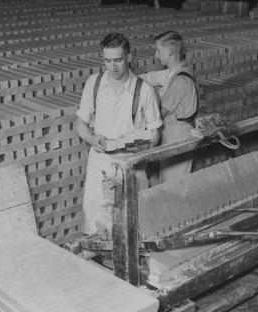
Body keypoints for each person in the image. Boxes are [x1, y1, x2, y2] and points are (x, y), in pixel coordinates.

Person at [76, 32, 162, 238]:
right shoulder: (94, 84)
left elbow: (155, 131)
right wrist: (91, 139)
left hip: (130, 165)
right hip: (100, 165)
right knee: (97, 224)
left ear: (129, 58)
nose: (112, 67)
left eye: (117, 60)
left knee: (132, 225)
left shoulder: (145, 90)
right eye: (107, 60)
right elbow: (80, 123)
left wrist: (142, 151)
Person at [140, 30, 198, 184]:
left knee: (173, 185)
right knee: (163, 182)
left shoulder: (180, 82)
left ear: (171, 51)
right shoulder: (172, 74)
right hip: (170, 135)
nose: (155, 55)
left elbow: (159, 115)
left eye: (158, 50)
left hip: (178, 136)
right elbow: (150, 77)